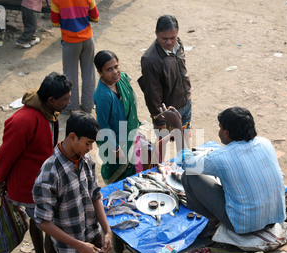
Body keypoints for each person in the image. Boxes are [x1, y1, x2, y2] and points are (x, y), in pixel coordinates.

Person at [0, 72, 72, 253]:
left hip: (40, 180)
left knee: (38, 223)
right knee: (48, 225)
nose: (68, 103)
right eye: (65, 99)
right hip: (29, 186)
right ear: (50, 100)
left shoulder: (48, 111)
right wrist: (1, 180)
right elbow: (5, 155)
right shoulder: (23, 121)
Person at [161, 105, 286, 235]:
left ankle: (205, 224)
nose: (219, 131)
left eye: (220, 128)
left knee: (189, 176)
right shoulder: (265, 143)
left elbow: (185, 162)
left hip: (243, 226)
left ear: (226, 132)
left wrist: (177, 126)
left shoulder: (222, 157)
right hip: (275, 218)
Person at [32, 111, 113, 253]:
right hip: (70, 249)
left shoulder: (86, 161)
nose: (90, 148)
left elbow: (95, 195)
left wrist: (106, 231)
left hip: (93, 237)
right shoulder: (50, 173)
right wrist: (79, 246)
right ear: (72, 137)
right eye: (87, 143)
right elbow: (43, 222)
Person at [93, 50, 140, 184]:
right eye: (109, 69)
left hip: (128, 134)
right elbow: (103, 126)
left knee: (132, 170)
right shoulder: (103, 96)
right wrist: (116, 148)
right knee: (118, 176)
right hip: (115, 143)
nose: (115, 72)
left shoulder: (122, 79)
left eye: (116, 67)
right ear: (100, 72)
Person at [138, 15, 192, 130]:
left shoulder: (178, 45)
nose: (169, 42)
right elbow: (152, 94)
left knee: (185, 142)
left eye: (173, 37)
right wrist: (159, 120)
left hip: (186, 103)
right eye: (164, 38)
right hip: (168, 113)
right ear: (156, 34)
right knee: (165, 145)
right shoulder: (150, 60)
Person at [50, 0, 99, 114]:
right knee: (89, 72)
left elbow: (55, 22)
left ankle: (70, 106)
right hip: (88, 40)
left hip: (70, 41)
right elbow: (95, 17)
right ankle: (88, 105)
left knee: (70, 74)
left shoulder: (56, 1)